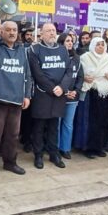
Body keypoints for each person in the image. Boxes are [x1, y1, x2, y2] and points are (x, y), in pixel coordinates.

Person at [0, 20, 31, 178]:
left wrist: (27, 95)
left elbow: (27, 75)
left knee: (13, 135)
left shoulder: (23, 50)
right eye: (8, 30)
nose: (11, 32)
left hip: (16, 99)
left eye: (14, 30)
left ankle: (10, 162)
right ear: (2, 32)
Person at [28, 23, 73, 169]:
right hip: (43, 94)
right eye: (48, 31)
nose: (52, 33)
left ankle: (54, 154)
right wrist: (52, 88)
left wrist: (62, 87)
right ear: (41, 34)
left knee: (54, 126)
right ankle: (38, 155)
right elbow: (37, 73)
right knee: (39, 127)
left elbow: (69, 71)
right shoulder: (34, 49)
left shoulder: (63, 50)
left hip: (59, 94)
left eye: (53, 31)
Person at [80, 37, 108, 158]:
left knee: (105, 120)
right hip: (92, 93)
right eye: (97, 44)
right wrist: (84, 77)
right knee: (92, 122)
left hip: (107, 93)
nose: (100, 47)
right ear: (93, 45)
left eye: (102, 45)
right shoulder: (85, 57)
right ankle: (89, 148)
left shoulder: (107, 58)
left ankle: (100, 147)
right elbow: (79, 72)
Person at [57, 32, 83, 159]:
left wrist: (76, 91)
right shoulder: (56, 57)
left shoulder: (77, 58)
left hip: (73, 97)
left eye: (71, 41)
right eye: (67, 41)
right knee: (56, 123)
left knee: (68, 124)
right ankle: (54, 147)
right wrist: (64, 91)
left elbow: (80, 77)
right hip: (59, 96)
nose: (70, 43)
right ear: (61, 43)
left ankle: (65, 148)